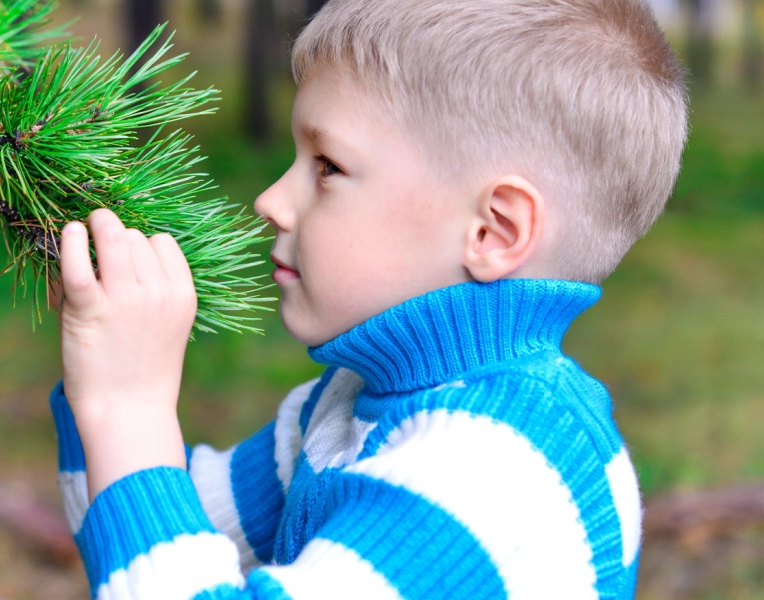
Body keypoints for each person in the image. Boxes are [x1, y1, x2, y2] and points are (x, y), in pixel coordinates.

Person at [48, 0, 688, 597]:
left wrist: (127, 406)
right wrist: (101, 387)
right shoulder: (353, 402)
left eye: (327, 165)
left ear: (493, 230)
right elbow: (151, 529)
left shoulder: (491, 472)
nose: (270, 200)